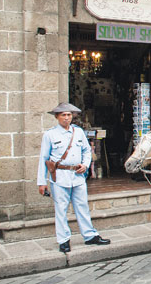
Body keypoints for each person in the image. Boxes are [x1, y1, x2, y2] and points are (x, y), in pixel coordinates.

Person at [37, 102, 110, 253]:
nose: (66, 118)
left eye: (69, 115)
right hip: (60, 176)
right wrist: (41, 182)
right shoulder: (50, 135)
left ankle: (90, 235)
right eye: (63, 115)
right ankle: (63, 240)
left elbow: (86, 151)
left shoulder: (78, 132)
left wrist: (85, 164)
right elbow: (43, 158)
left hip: (77, 176)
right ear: (57, 117)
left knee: (82, 206)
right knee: (61, 209)